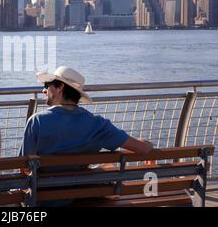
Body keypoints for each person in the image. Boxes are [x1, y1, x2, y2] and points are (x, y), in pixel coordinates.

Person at [19, 67, 154, 206]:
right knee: (107, 167)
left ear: (60, 87)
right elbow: (142, 148)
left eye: (47, 85)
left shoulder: (37, 121)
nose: (44, 90)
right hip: (79, 196)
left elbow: (24, 167)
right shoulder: (98, 125)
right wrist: (148, 144)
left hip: (40, 199)